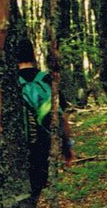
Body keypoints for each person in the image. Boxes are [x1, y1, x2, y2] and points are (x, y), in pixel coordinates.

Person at [16, 38, 73, 199]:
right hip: (44, 149)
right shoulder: (47, 80)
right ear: (33, 55)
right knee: (35, 191)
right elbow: (60, 116)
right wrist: (67, 147)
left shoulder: (10, 84)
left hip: (17, 151)